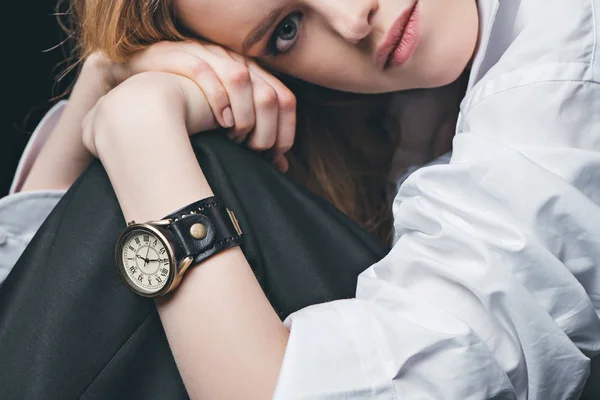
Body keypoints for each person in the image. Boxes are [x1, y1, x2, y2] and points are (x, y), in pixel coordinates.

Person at [0, 0, 599, 398]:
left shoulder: (565, 66)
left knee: (172, 175)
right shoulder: (364, 120)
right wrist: (103, 83)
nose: (353, 17)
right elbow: (43, 304)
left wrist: (138, 125)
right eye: (286, 29)